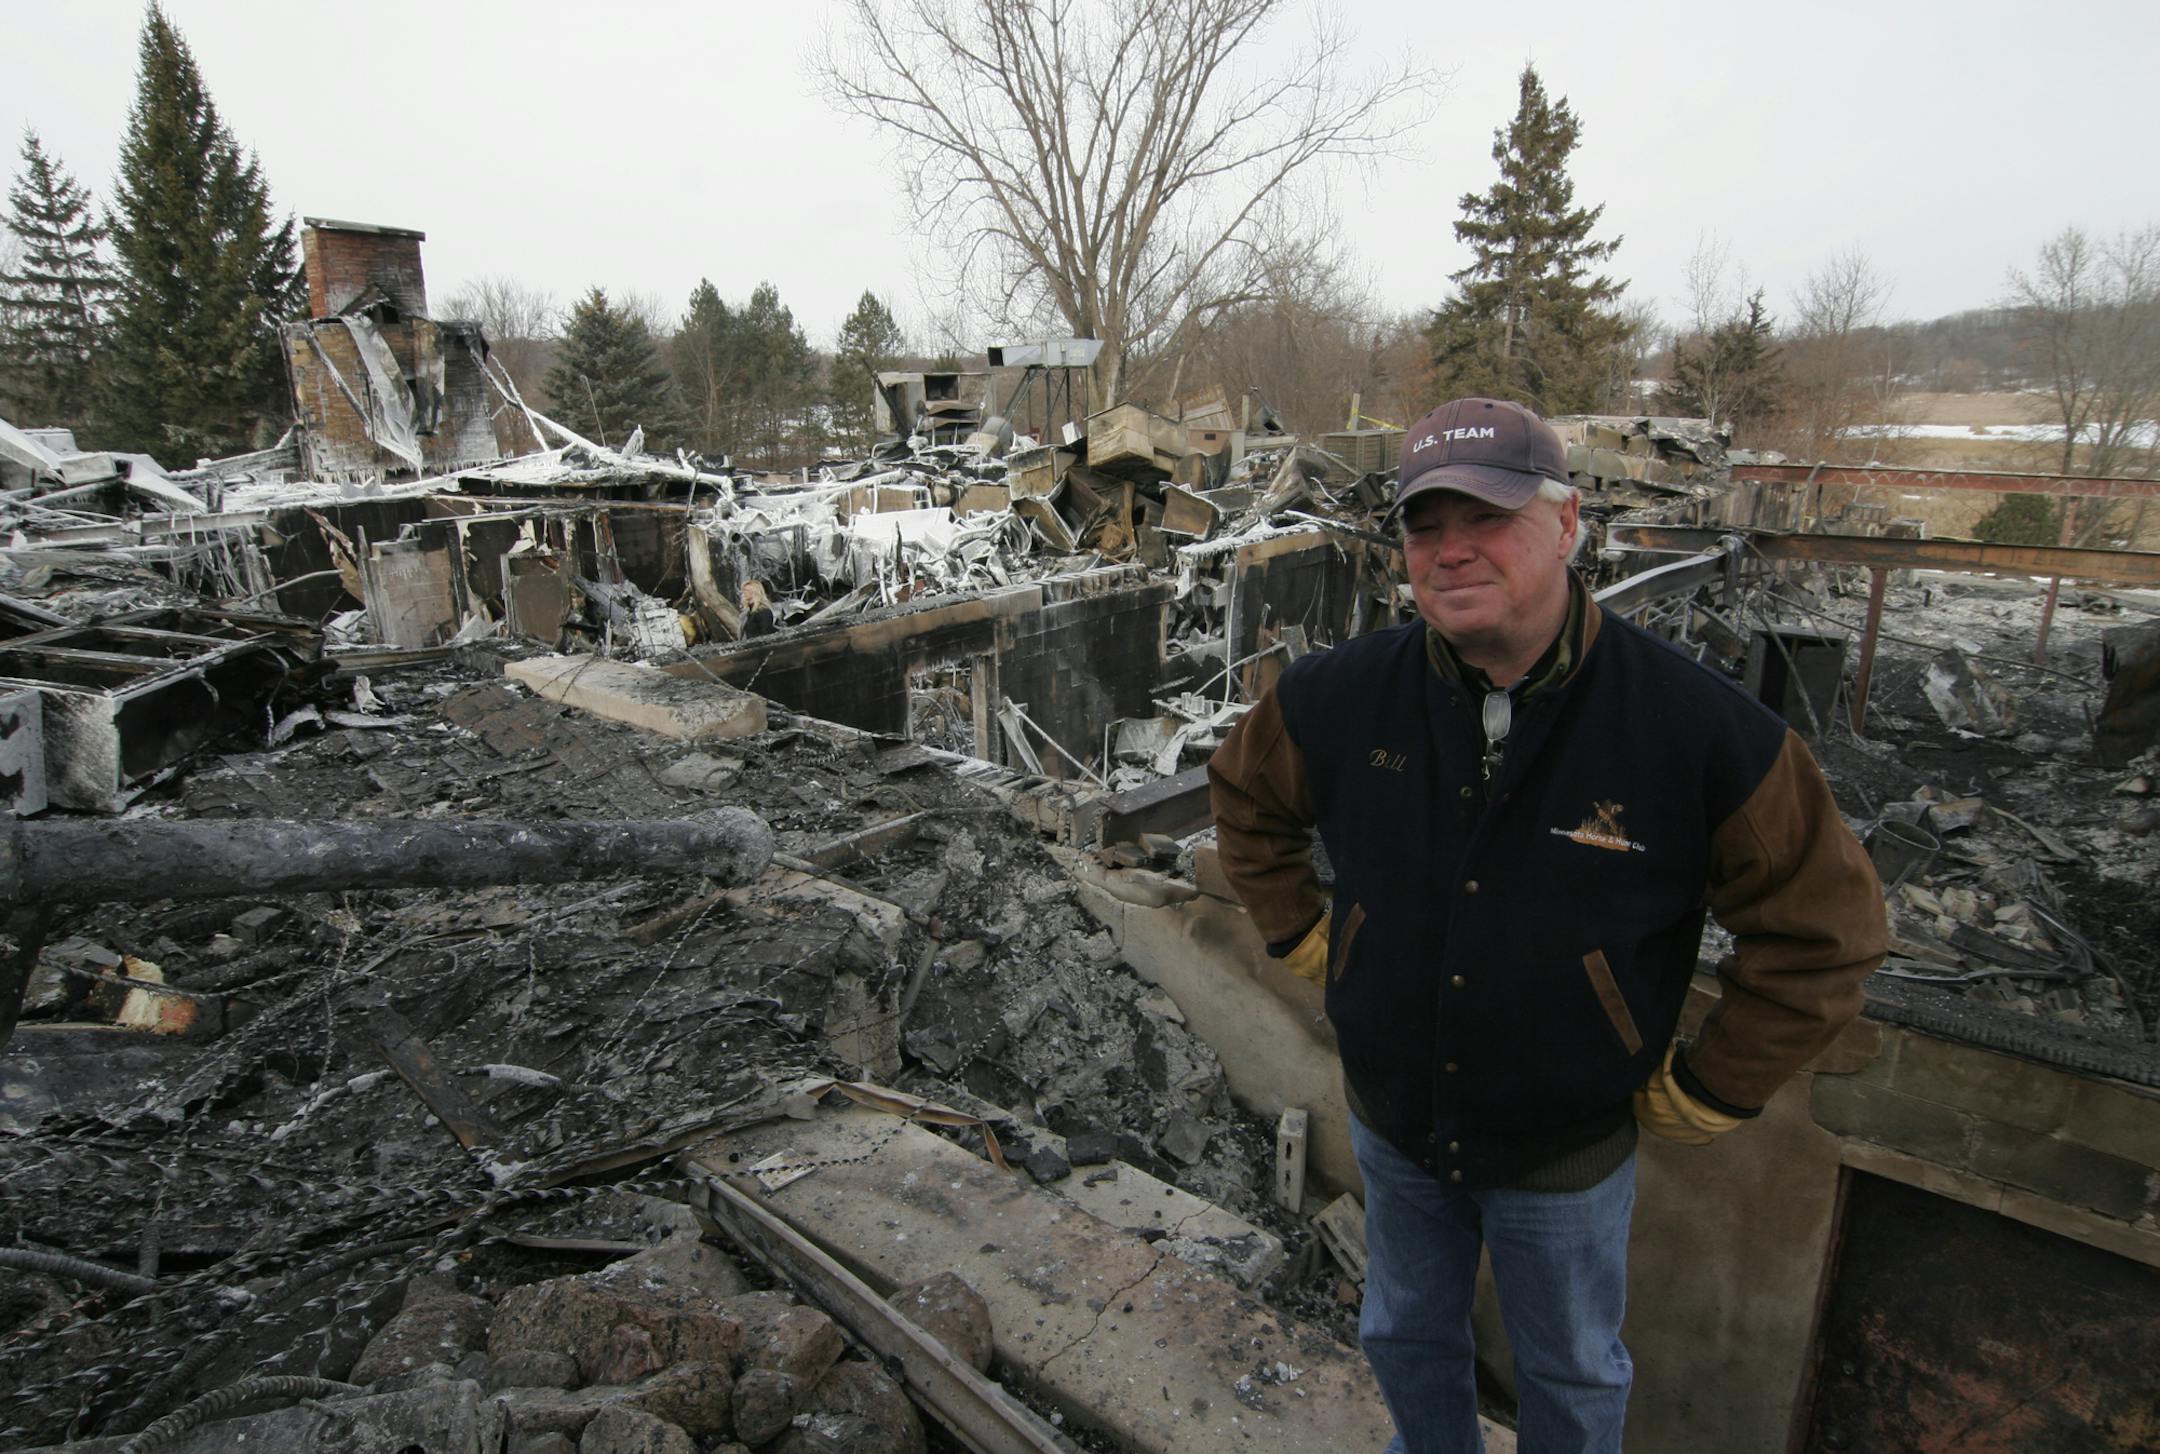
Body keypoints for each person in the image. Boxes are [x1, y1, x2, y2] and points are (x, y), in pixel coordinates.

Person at [1205, 397, 1886, 1454]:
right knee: (1401, 1327)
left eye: (1487, 515)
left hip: (1566, 1147)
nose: (1451, 549)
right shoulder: (1341, 697)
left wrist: (1719, 1081)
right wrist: (1303, 929)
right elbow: (1246, 802)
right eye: (1425, 526)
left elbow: (1826, 927)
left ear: (1567, 525)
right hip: (1393, 1119)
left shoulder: (1697, 730)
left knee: (1570, 1368)